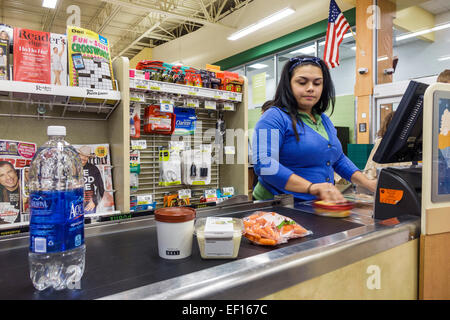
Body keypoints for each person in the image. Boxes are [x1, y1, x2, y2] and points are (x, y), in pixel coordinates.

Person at [252, 55, 377, 203]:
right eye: (302, 82)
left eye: (317, 83)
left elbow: (338, 159)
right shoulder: (273, 117)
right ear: (288, 85)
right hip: (278, 205)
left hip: (314, 204)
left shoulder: (323, 120)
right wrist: (311, 187)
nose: (311, 88)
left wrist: (369, 184)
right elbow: (264, 164)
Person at [77, 146, 105, 214]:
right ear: (78, 155)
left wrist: (95, 201)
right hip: (74, 203)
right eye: (82, 156)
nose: (84, 158)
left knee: (89, 223)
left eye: (86, 157)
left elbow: (100, 188)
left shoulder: (93, 169)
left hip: (89, 204)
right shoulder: (71, 168)